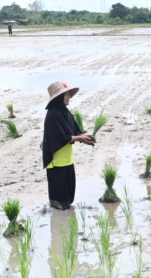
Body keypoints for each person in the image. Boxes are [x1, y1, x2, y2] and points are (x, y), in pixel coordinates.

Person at [41, 81, 95, 210]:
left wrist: (84, 137)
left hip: (66, 156)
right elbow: (61, 137)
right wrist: (80, 138)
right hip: (56, 157)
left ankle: (65, 206)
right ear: (59, 98)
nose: (69, 97)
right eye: (66, 95)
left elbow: (73, 131)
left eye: (69, 95)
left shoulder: (65, 112)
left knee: (69, 184)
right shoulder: (53, 114)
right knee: (58, 186)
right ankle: (56, 204)